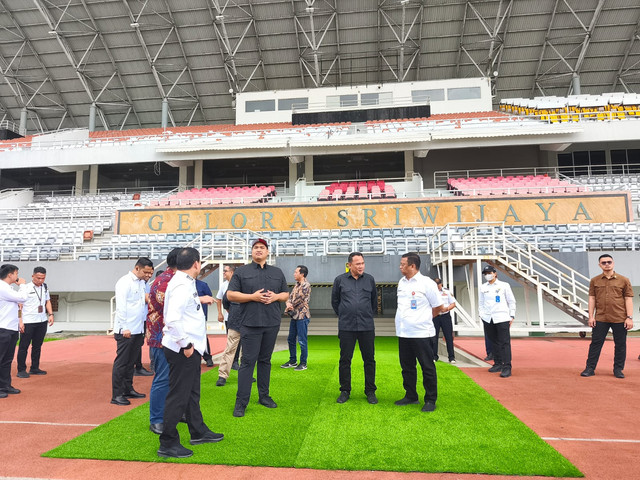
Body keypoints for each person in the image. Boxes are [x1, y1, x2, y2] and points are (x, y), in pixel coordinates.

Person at [158, 247, 222, 458]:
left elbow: (183, 310)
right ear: (196, 263)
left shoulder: (184, 282)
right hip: (182, 349)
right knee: (179, 395)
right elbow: (173, 319)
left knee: (192, 393)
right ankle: (167, 442)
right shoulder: (181, 285)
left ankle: (198, 431)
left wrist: (198, 301)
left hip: (189, 347)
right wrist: (186, 345)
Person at [227, 238, 289, 418]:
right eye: (255, 248)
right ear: (251, 252)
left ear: (267, 252)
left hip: (271, 323)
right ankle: (241, 402)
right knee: (247, 362)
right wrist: (252, 297)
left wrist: (276, 296)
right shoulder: (241, 272)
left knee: (265, 361)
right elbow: (231, 295)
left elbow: (286, 294)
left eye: (262, 247)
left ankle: (264, 396)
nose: (259, 250)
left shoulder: (277, 272)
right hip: (250, 323)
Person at [394, 253, 444, 412]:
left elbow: (438, 306)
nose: (400, 267)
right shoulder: (401, 282)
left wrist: (423, 319)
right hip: (404, 333)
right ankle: (411, 395)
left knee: (427, 367)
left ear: (412, 266)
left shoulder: (426, 283)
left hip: (422, 333)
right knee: (407, 367)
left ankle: (430, 399)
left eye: (403, 264)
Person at [331, 252, 378, 404]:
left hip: (366, 326)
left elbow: (373, 302)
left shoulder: (370, 279)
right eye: (358, 264)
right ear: (349, 265)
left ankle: (370, 391)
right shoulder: (340, 280)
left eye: (362, 263)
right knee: (345, 360)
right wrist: (345, 313)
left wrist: (366, 314)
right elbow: (335, 301)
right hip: (347, 326)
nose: (361, 266)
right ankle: (345, 390)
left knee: (369, 359)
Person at [581, 254, 633, 379]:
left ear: (613, 263)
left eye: (609, 262)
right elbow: (592, 298)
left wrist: (629, 317)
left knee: (620, 344)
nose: (607, 264)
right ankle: (590, 368)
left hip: (619, 318)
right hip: (600, 318)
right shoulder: (595, 280)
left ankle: (618, 369)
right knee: (595, 344)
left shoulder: (624, 280)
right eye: (603, 262)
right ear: (599, 265)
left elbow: (628, 299)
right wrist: (591, 316)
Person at [111, 257, 154, 406]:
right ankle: (116, 394)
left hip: (137, 328)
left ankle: (128, 389)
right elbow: (121, 306)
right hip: (126, 330)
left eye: (150, 273)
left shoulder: (142, 283)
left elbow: (143, 301)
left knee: (131, 363)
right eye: (146, 272)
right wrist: (124, 327)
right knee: (121, 363)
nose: (148, 276)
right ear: (137, 268)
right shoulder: (124, 282)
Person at [146, 248, 180, 435]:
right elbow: (170, 309)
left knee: (175, 379)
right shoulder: (164, 281)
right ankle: (157, 419)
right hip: (162, 339)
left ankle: (174, 412)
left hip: (173, 338)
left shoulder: (175, 280)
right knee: (163, 378)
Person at [479, 265, 516, 378]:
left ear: (495, 273)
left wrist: (512, 315)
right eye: (485, 274)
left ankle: (507, 366)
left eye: (489, 273)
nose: (487, 275)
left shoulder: (504, 285)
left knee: (504, 343)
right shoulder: (483, 287)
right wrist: (481, 315)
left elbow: (511, 301)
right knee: (494, 341)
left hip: (502, 317)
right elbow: (481, 303)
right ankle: (498, 363)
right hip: (488, 318)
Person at [16, 267, 54, 377]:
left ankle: (35, 368)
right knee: (24, 346)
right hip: (28, 321)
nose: (41, 280)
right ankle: (21, 370)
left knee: (37, 346)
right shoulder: (26, 288)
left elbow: (48, 301)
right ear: (32, 276)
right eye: (38, 278)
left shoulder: (45, 287)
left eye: (43, 278)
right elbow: (19, 306)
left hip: (42, 320)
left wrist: (50, 314)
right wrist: (20, 321)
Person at [0, 264, 28, 398]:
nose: (18, 276)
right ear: (10, 274)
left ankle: (5, 385)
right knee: (1, 359)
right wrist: (22, 285)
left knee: (7, 360)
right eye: (16, 273)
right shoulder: (2, 287)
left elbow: (18, 306)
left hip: (11, 328)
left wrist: (19, 321)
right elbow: (22, 298)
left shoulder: (8, 289)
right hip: (2, 328)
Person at [216, 265, 243, 387]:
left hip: (248, 323)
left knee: (247, 351)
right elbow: (225, 303)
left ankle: (246, 375)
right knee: (230, 349)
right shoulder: (227, 287)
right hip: (234, 322)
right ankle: (222, 375)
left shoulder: (247, 286)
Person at [282, 265, 311, 371]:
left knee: (302, 340)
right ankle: (293, 361)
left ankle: (303, 363)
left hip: (302, 316)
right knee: (291, 339)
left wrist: (289, 306)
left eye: (296, 272)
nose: (294, 274)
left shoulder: (306, 285)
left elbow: (299, 300)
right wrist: (288, 303)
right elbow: (290, 297)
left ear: (302, 274)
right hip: (295, 316)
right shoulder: (296, 285)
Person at [432, 278, 457, 364]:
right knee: (434, 337)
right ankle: (434, 356)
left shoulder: (447, 292)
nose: (437, 286)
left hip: (445, 315)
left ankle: (451, 357)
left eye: (438, 284)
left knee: (448, 337)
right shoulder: (431, 293)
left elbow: (453, 303)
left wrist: (446, 308)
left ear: (441, 284)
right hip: (435, 316)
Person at [195, 278, 214, 368]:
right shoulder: (183, 285)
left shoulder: (202, 285)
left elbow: (209, 298)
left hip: (201, 316)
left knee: (202, 336)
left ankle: (207, 357)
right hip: (188, 317)